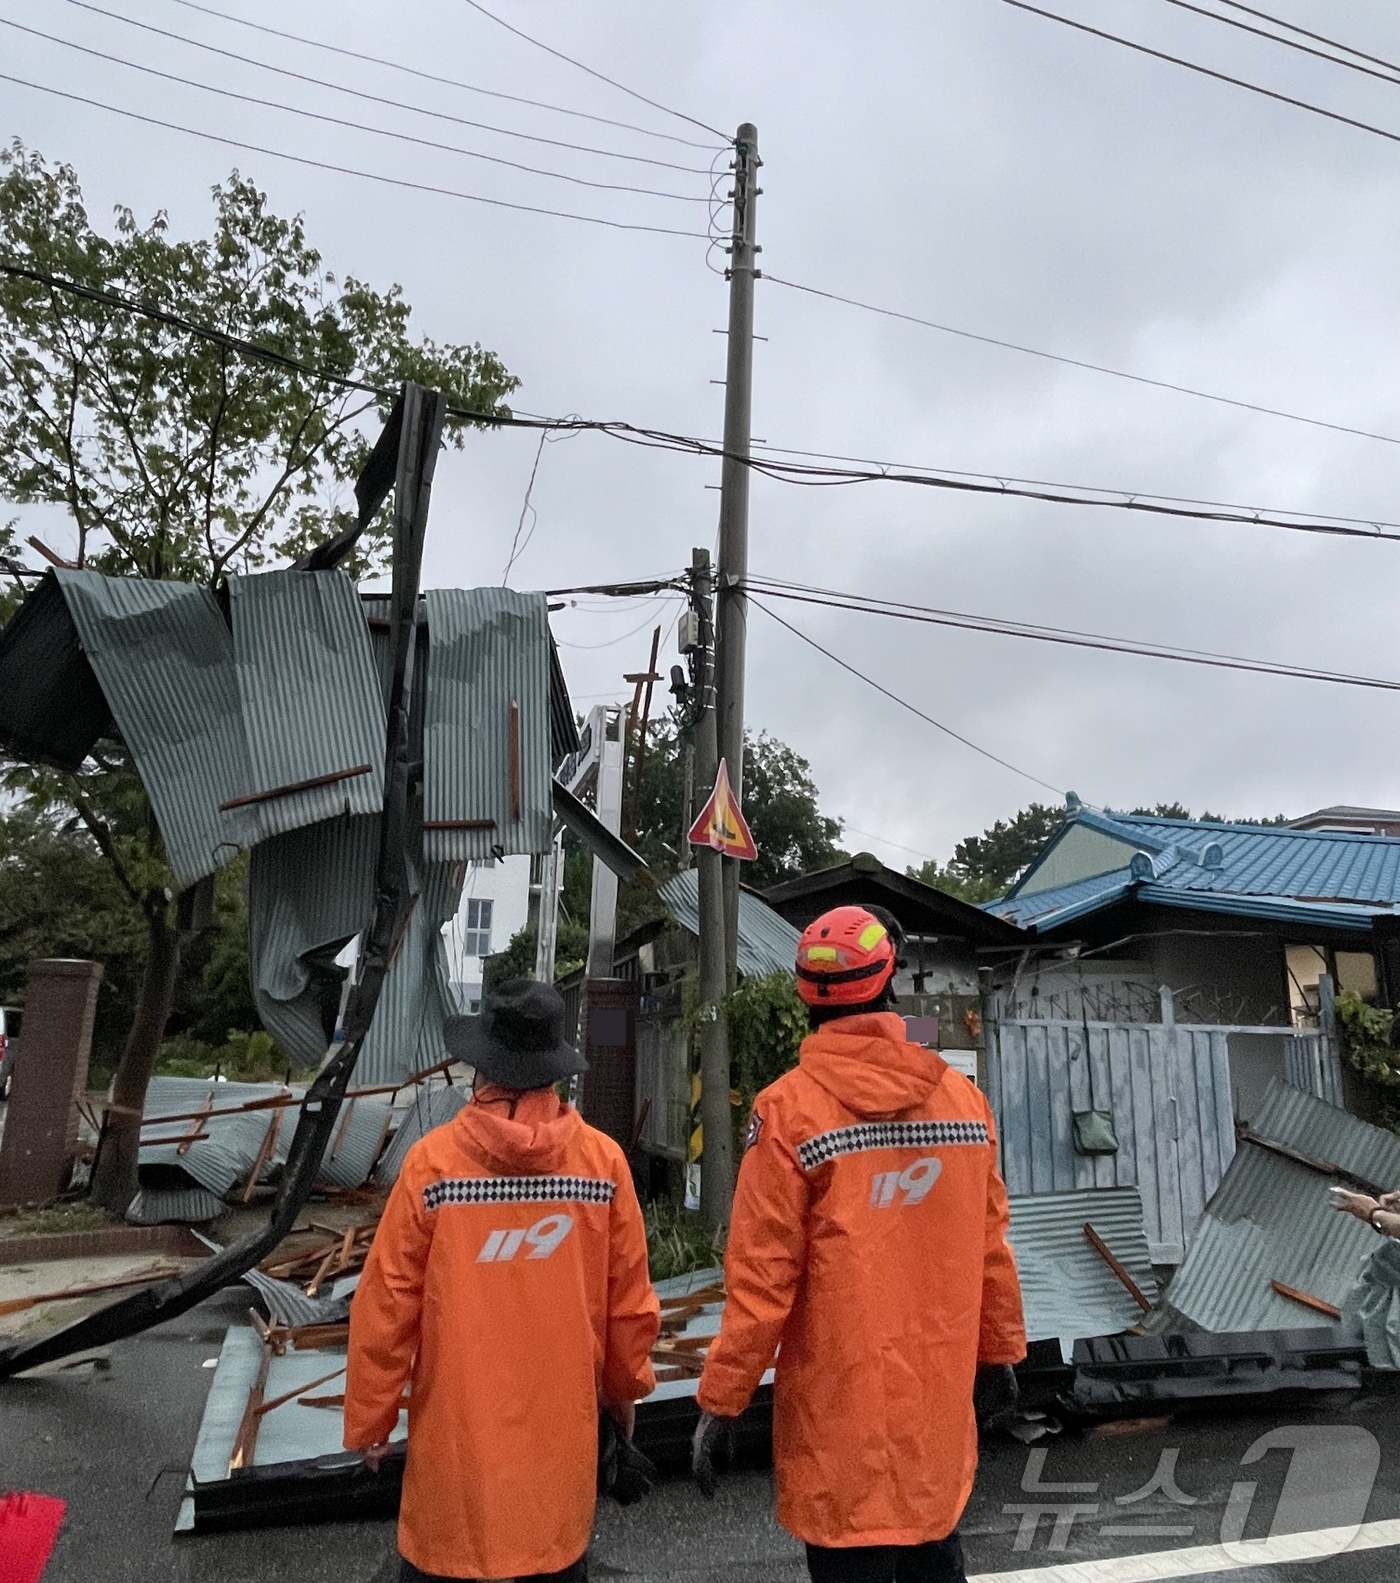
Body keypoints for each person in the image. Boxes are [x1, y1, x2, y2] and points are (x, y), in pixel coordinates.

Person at [692, 905, 1025, 1583]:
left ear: (803, 993)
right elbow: (992, 1246)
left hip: (838, 1423)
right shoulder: (962, 1102)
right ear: (889, 982)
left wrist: (722, 1398)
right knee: (935, 1554)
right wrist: (1000, 1353)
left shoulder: (787, 1112)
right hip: (934, 1414)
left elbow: (761, 1278)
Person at [345, 978, 660, 1583]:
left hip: (456, 1449)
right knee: (551, 1557)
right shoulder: (602, 1164)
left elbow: (386, 1305)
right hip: (558, 1448)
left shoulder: (432, 1165)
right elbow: (630, 1303)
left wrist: (372, 1420)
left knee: (450, 1552)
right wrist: (623, 1392)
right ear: (554, 1066)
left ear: (482, 1063)